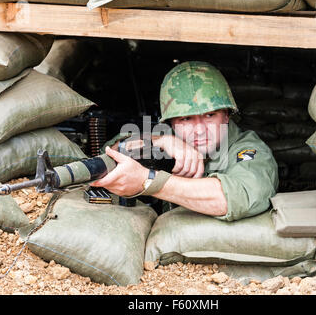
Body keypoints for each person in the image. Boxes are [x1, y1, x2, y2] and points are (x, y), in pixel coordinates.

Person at [91, 61, 278, 222]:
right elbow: (113, 152)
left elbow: (237, 197)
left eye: (209, 115)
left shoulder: (248, 148)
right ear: (172, 122)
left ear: (227, 115)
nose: (199, 129)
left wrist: (149, 182)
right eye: (185, 119)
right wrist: (161, 140)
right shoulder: (167, 138)